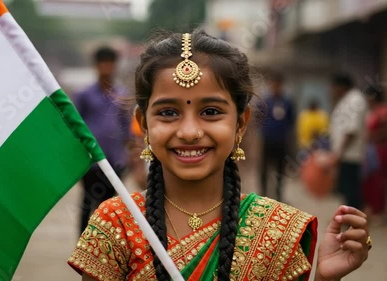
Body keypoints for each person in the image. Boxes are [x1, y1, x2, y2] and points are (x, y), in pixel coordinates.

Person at [68, 30, 371, 281]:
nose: (189, 131)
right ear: (144, 123)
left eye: (210, 112)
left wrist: (325, 279)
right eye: (168, 112)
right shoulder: (115, 224)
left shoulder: (278, 231)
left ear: (240, 123)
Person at [74, 46, 130, 235]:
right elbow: (76, 125)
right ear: (96, 66)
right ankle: (83, 244)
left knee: (109, 206)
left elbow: (126, 125)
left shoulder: (122, 94)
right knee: (87, 203)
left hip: (115, 159)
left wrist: (131, 153)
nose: (106, 67)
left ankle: (104, 246)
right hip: (91, 161)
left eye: (110, 63)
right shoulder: (85, 95)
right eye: (102, 63)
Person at [329, 73, 368, 210]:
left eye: (334, 88)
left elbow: (351, 130)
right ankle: (348, 217)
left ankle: (354, 220)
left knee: (351, 189)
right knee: (346, 189)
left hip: (350, 154)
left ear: (341, 86)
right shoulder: (347, 100)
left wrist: (340, 153)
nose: (332, 91)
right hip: (345, 154)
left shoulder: (355, 100)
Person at [259, 72, 295, 202]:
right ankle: (263, 194)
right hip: (267, 140)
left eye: (278, 84)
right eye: (273, 84)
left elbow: (291, 122)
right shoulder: (265, 102)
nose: (276, 86)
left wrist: (289, 140)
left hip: (281, 141)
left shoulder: (287, 102)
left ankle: (279, 195)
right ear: (270, 85)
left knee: (280, 169)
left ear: (281, 85)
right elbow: (258, 119)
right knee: (264, 168)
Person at [362, 84, 387, 224]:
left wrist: (374, 137)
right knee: (370, 180)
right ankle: (371, 209)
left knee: (378, 180)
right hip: (371, 149)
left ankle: (379, 212)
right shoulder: (372, 111)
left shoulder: (383, 111)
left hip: (380, 149)